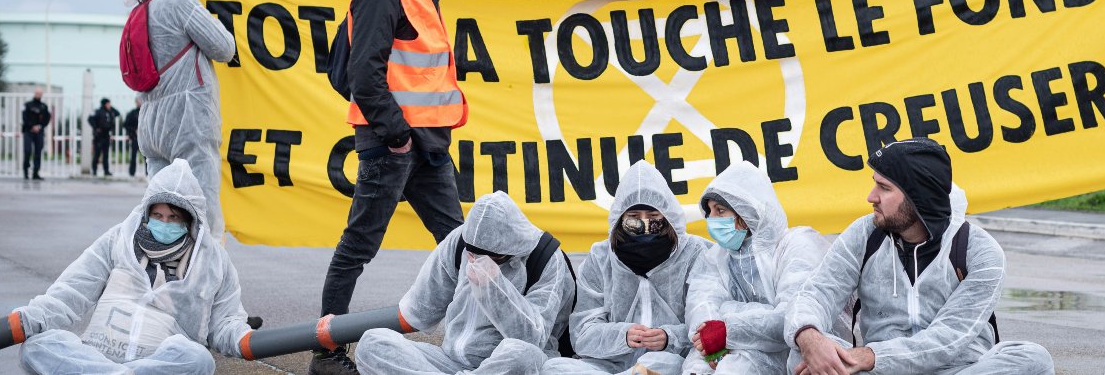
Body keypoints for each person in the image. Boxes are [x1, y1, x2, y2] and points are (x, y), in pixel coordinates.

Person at [313, 0, 468, 374]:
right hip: (393, 144)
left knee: (462, 246)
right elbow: (364, 72)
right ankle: (326, 352)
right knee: (359, 246)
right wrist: (396, 135)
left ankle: (481, 339)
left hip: (428, 144)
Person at [783, 138, 1054, 375]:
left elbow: (947, 339)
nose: (871, 197)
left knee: (1033, 359)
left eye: (884, 188)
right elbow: (816, 293)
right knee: (803, 354)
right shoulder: (865, 234)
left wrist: (869, 356)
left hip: (959, 369)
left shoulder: (978, 251)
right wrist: (809, 336)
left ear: (918, 197)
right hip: (883, 371)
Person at [10, 159, 253, 374]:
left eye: (173, 217)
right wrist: (29, 318)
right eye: (158, 215)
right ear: (147, 213)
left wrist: (242, 338)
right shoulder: (119, 239)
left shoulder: (212, 260)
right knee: (37, 346)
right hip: (96, 355)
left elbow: (225, 320)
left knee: (198, 359)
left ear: (189, 220)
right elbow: (72, 289)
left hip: (157, 363)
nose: (164, 223)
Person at [354, 191, 573, 375]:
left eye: (491, 257)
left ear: (510, 250)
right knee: (372, 343)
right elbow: (421, 309)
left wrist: (493, 285)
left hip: (502, 366)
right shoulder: (460, 240)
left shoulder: (546, 258)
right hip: (449, 360)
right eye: (472, 255)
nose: (476, 261)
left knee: (523, 355)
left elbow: (532, 337)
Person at [542, 161, 712, 374]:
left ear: (667, 216)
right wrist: (622, 335)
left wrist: (670, 338)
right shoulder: (601, 256)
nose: (645, 224)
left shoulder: (694, 252)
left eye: (653, 217)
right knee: (554, 368)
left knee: (656, 364)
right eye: (634, 217)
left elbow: (707, 322)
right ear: (620, 217)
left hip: (670, 361)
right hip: (608, 365)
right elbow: (582, 332)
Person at [126, 0, 236, 235]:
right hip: (188, 122)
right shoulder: (178, 0)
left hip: (151, 123)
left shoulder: (141, 7)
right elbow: (224, 48)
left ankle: (159, 260)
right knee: (202, 212)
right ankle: (205, 264)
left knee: (161, 212)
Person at [682, 162, 834, 374]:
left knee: (737, 367)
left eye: (720, 210)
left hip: (794, 354)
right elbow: (702, 306)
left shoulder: (797, 245)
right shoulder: (717, 257)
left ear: (746, 213)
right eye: (709, 211)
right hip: (731, 349)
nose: (711, 219)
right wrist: (712, 340)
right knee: (696, 364)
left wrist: (728, 327)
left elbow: (794, 316)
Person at [20, 88, 50, 180]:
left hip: (39, 132)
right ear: (34, 93)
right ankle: (26, 171)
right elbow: (24, 117)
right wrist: (32, 126)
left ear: (42, 94)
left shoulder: (44, 106)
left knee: (38, 152)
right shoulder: (27, 105)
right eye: (37, 93)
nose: (38, 95)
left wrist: (40, 127)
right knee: (27, 150)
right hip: (28, 131)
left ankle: (35, 173)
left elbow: (47, 119)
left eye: (40, 93)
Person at [88, 98, 120, 176]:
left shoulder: (110, 111)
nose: (109, 105)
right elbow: (90, 119)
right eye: (108, 104)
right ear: (104, 104)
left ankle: (106, 171)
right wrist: (96, 128)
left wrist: (111, 108)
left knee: (106, 155)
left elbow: (118, 113)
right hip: (99, 136)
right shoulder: (98, 111)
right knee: (97, 154)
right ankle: (94, 170)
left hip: (106, 135)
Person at [124, 99, 141, 177]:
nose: (139, 103)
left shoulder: (146, 111)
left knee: (148, 156)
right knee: (133, 155)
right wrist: (134, 130)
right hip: (135, 138)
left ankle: (148, 173)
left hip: (145, 139)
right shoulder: (132, 113)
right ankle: (132, 172)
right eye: (138, 101)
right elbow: (126, 125)